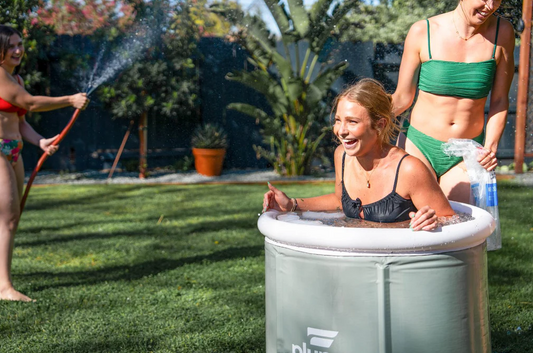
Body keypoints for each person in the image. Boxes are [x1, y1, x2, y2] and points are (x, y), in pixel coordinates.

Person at [263, 78, 455, 231]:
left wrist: (432, 221)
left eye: (352, 122)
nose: (341, 131)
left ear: (379, 125)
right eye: (338, 120)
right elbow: (339, 201)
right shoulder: (342, 156)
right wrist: (292, 204)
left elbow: (452, 220)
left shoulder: (409, 170)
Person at [392, 0, 515, 203]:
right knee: (415, 225)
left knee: (463, 229)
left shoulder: (503, 33)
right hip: (418, 146)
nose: (490, 5)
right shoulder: (423, 31)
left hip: (467, 152)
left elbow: (500, 100)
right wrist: (367, 119)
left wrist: (491, 146)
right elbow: (403, 98)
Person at [0, 25, 89, 302]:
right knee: (7, 218)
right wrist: (69, 100)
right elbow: (32, 104)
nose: (18, 50)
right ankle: (5, 288)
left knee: (11, 220)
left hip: (15, 150)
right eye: (11, 45)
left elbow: (22, 120)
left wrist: (39, 142)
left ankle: (3, 284)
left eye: (20, 44)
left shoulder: (17, 79)